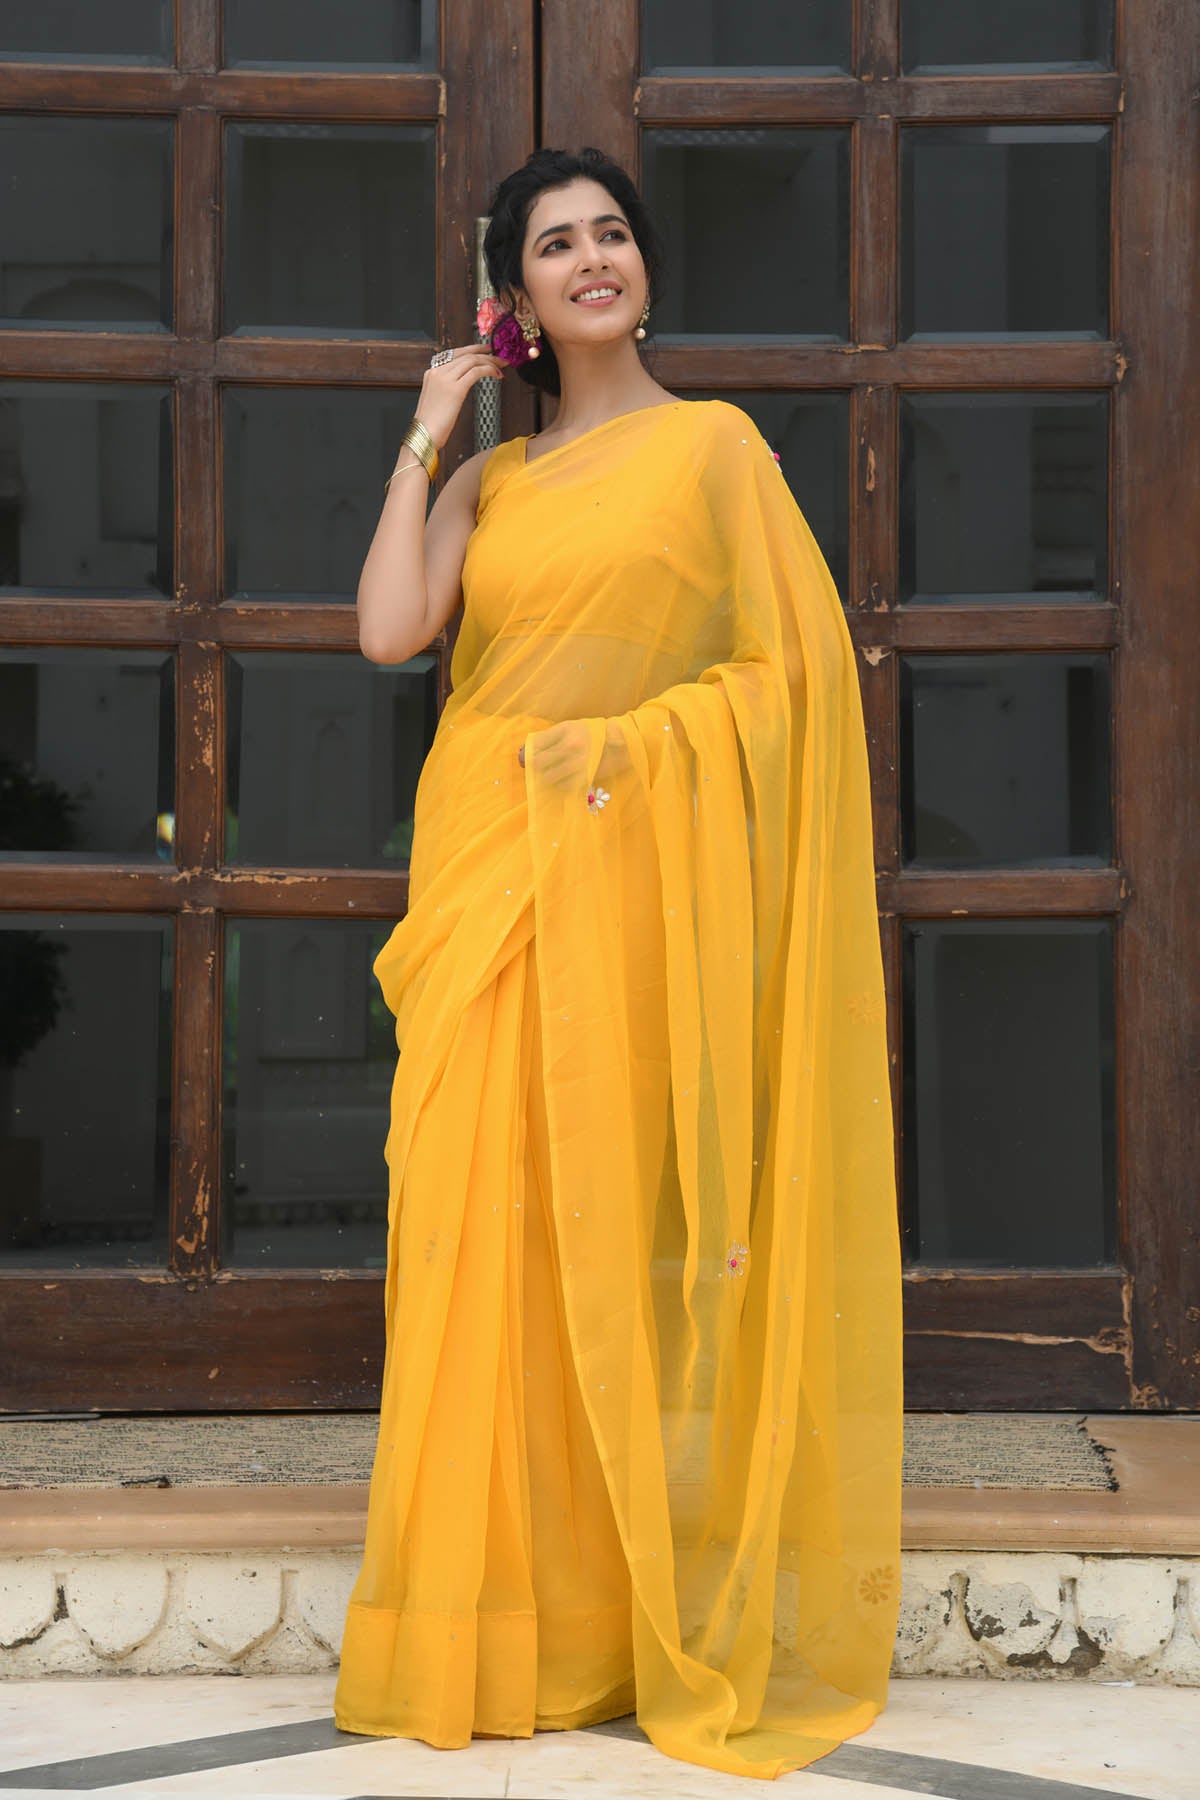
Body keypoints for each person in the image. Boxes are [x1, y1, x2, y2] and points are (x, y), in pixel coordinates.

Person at [333, 145, 903, 1782]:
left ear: (644, 267)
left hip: (607, 869)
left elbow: (788, 679)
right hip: (480, 872)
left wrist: (625, 751)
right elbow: (390, 632)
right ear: (512, 295)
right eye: (554, 245)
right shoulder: (494, 482)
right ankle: (481, 1627)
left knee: (585, 1237)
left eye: (611, 235)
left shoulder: (713, 451)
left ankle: (595, 1625)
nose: (591, 259)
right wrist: (430, 428)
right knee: (466, 1237)